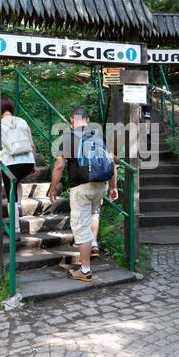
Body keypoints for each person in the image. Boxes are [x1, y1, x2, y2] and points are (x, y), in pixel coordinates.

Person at [49, 107, 118, 282]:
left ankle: (85, 270)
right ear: (87, 120)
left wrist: (53, 188)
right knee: (94, 213)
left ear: (72, 120)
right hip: (101, 185)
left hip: (81, 188)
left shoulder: (68, 138)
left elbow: (59, 166)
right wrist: (113, 187)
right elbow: (112, 162)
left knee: (81, 228)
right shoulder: (99, 136)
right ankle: (94, 243)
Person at [1, 97, 36, 241]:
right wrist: (33, 164)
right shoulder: (23, 121)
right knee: (18, 181)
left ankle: (16, 229)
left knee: (11, 197)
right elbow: (32, 145)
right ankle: (20, 206)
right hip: (26, 162)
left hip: (10, 164)